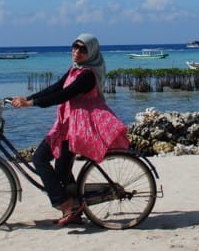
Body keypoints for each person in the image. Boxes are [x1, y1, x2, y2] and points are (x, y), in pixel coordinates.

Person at [9, 33, 129, 226]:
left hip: (78, 126)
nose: (77, 51)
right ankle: (76, 210)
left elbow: (64, 95)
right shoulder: (75, 70)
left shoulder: (88, 75)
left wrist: (31, 103)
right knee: (61, 171)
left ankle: (66, 204)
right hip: (66, 123)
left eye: (83, 49)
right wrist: (26, 98)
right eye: (75, 46)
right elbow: (55, 88)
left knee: (40, 158)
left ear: (91, 53)